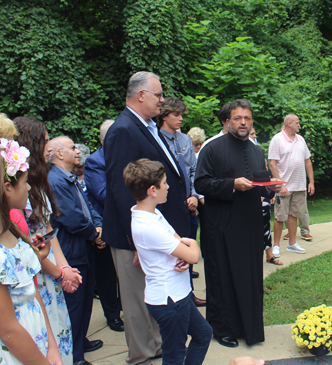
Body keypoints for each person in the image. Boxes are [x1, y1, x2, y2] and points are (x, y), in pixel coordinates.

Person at [103, 71, 190, 365]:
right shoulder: (124, 130)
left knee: (151, 295)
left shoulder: (147, 126)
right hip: (135, 237)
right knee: (137, 300)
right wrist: (137, 241)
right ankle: (142, 355)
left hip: (153, 232)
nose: (162, 100)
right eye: (158, 95)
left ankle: (155, 346)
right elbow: (120, 188)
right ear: (141, 95)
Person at [195, 99, 280, 347]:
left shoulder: (256, 150)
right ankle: (223, 330)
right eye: (237, 118)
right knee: (223, 279)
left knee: (250, 278)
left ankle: (249, 328)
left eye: (247, 118)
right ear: (227, 121)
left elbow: (259, 184)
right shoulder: (211, 149)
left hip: (251, 226)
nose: (243, 123)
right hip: (221, 227)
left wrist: (271, 188)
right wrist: (231, 184)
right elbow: (201, 184)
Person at [0, 144, 63, 365]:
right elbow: (8, 330)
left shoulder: (12, 230)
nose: (28, 188)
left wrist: (51, 347)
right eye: (25, 183)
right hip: (12, 353)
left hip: (36, 341)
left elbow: (31, 292)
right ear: (7, 188)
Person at [124, 158, 212, 364]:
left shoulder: (151, 213)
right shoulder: (148, 225)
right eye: (165, 183)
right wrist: (192, 244)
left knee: (203, 333)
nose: (168, 186)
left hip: (177, 294)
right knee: (174, 356)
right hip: (169, 300)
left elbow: (174, 242)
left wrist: (181, 250)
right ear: (153, 191)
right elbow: (193, 256)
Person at [14, 116, 81, 365]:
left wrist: (64, 268)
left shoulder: (39, 182)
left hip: (51, 266)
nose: (49, 148)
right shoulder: (18, 186)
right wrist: (58, 273)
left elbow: (49, 231)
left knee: (61, 328)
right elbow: (29, 245)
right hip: (38, 271)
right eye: (44, 142)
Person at [48, 136, 104, 365]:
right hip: (72, 250)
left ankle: (81, 341)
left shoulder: (69, 177)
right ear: (59, 154)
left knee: (85, 301)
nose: (77, 151)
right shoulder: (55, 181)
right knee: (75, 304)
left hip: (84, 245)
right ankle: (75, 355)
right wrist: (94, 234)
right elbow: (71, 218)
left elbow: (88, 205)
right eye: (72, 148)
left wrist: (98, 226)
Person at [158, 98, 205, 307]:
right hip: (168, 207)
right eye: (176, 115)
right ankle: (171, 298)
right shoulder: (156, 139)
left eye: (182, 115)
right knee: (171, 253)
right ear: (164, 115)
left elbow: (194, 171)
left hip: (190, 206)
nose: (180, 119)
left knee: (188, 249)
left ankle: (189, 295)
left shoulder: (185, 140)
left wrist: (194, 195)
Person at [84, 119, 124, 332]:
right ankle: (112, 315)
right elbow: (102, 194)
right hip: (105, 224)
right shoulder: (94, 161)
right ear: (103, 140)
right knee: (108, 275)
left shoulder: (125, 156)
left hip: (126, 222)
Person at [268, 114, 315, 258]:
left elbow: (307, 161)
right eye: (297, 123)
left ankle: (292, 244)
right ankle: (276, 246)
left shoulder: (301, 140)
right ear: (289, 124)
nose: (299, 125)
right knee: (280, 217)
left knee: (294, 215)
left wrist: (311, 181)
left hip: (299, 186)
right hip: (284, 186)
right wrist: (280, 185)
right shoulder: (277, 139)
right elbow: (272, 163)